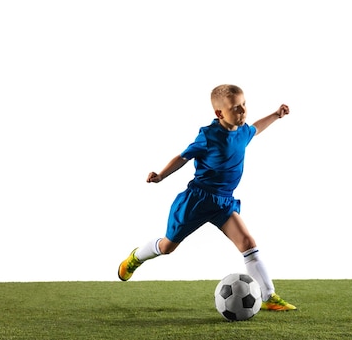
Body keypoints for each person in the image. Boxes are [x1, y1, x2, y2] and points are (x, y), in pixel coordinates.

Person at [117, 84, 296, 311]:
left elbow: (255, 128)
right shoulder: (209, 136)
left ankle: (269, 296)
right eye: (235, 108)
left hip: (223, 202)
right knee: (167, 247)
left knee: (248, 243)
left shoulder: (242, 132)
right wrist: (161, 175)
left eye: (244, 105)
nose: (242, 111)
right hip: (197, 201)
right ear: (219, 113)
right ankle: (136, 257)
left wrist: (276, 115)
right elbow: (183, 157)